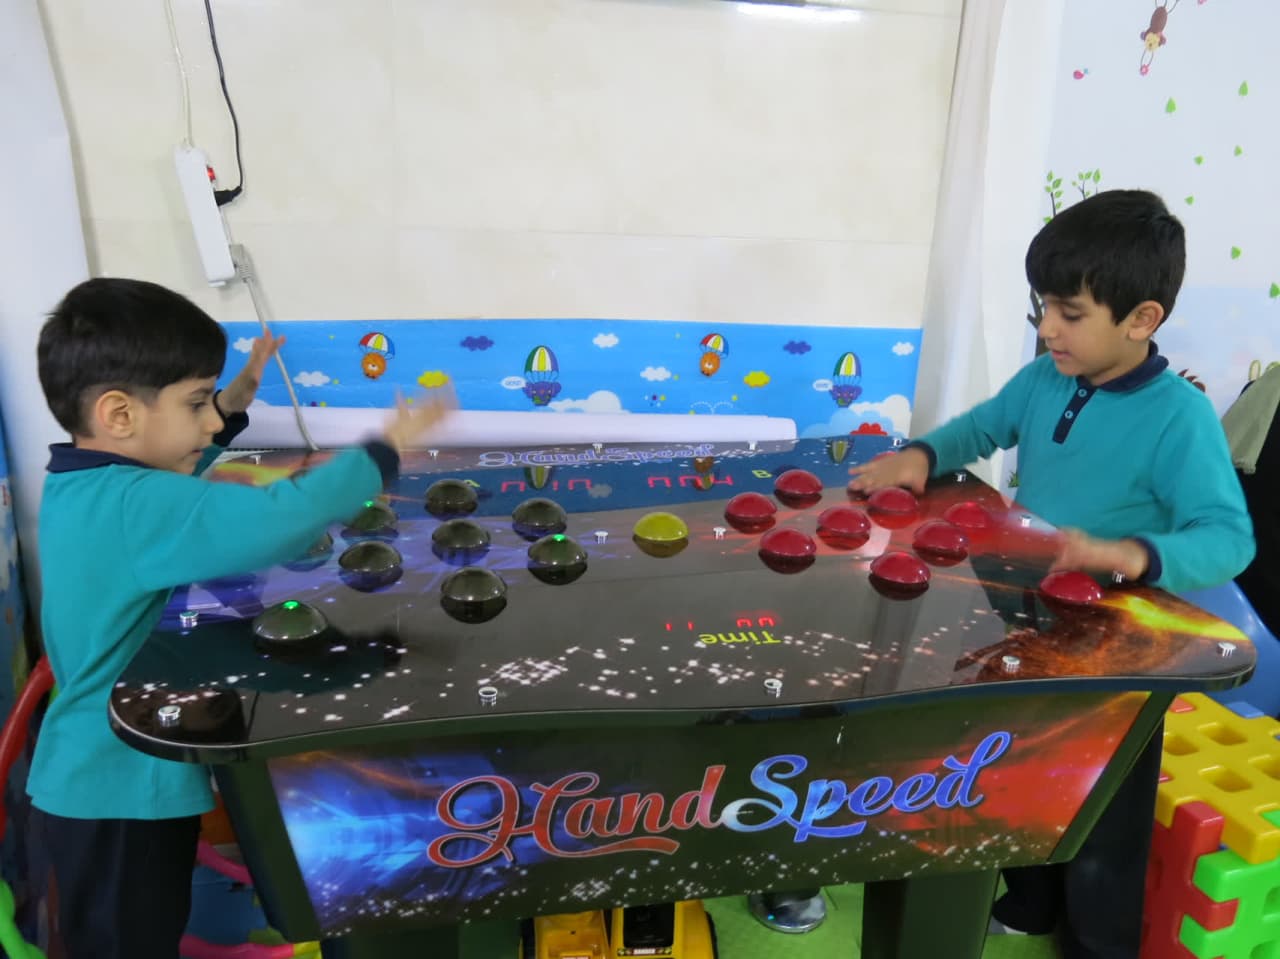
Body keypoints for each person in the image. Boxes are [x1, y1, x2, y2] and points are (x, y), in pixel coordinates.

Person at [849, 190, 1254, 959]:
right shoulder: (1045, 379)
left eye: (1070, 313)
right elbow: (983, 427)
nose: (1047, 328)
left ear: (1141, 319)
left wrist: (1132, 553)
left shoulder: (1180, 417)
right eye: (1043, 308)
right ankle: (1030, 900)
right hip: (1027, 608)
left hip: (1118, 640)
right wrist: (924, 455)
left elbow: (1229, 538)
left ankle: (1098, 942)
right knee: (1022, 758)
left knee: (1106, 806)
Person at [26, 277, 455, 959]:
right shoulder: (135, 505)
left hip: (95, 776)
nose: (205, 424)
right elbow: (276, 520)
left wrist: (230, 405)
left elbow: (173, 486)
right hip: (119, 787)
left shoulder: (90, 483)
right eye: (195, 403)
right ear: (119, 414)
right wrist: (383, 450)